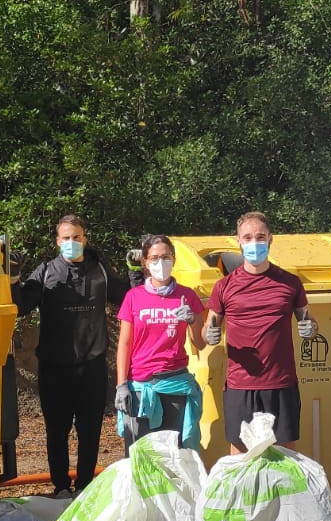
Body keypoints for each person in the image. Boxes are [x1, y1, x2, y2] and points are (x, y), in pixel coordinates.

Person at [17, 214, 129, 496]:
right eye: (66, 238)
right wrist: (13, 276)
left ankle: (85, 486)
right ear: (58, 242)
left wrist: (136, 270)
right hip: (54, 368)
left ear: (85, 239)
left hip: (91, 366)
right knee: (57, 432)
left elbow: (127, 296)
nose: (71, 242)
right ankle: (60, 487)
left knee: (90, 431)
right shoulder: (45, 272)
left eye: (76, 237)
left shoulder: (100, 270)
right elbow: (20, 305)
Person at [202, 211, 315, 454]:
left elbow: (308, 319)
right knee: (241, 458)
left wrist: (309, 328)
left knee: (285, 457)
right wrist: (209, 334)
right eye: (248, 237)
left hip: (281, 383)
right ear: (238, 241)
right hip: (240, 385)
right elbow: (208, 327)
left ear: (271, 239)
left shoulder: (290, 283)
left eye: (260, 237)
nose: (255, 243)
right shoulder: (224, 286)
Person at [114, 234, 206, 451]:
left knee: (174, 453)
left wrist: (192, 320)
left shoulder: (187, 296)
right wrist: (121, 385)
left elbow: (200, 343)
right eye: (154, 258)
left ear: (173, 260)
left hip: (175, 385)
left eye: (166, 257)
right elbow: (124, 345)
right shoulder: (133, 297)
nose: (160, 263)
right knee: (140, 454)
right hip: (139, 388)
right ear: (145, 262)